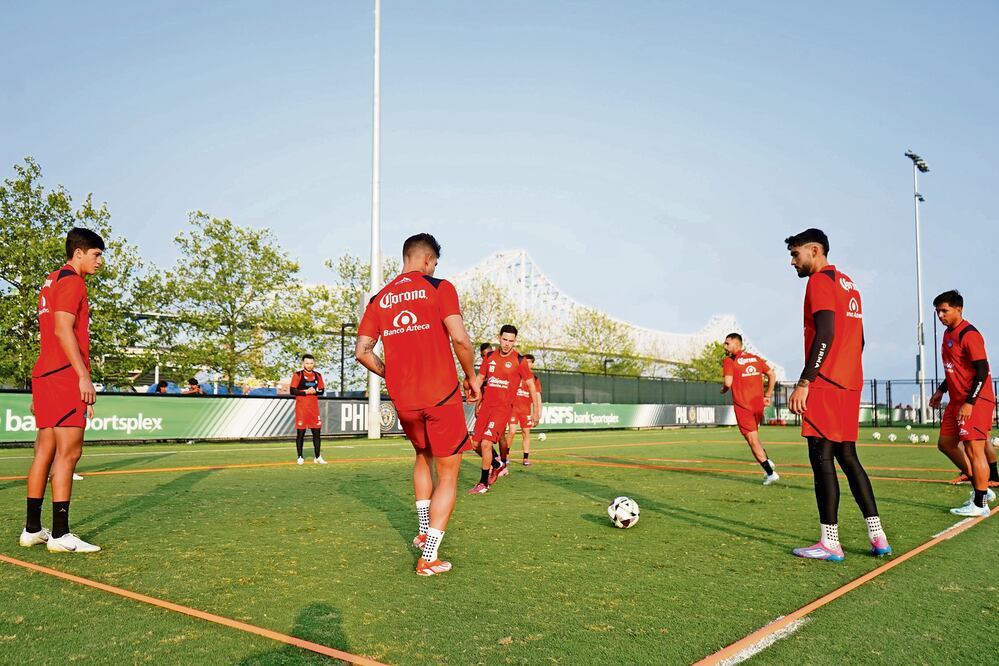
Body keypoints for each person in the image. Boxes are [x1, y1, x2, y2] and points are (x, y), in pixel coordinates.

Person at [355, 233, 480, 576]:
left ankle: (424, 529)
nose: (434, 268)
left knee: (422, 457)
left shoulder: (379, 298)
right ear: (427, 260)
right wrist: (471, 378)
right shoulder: (439, 287)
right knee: (450, 472)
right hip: (440, 396)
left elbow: (362, 351)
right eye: (435, 263)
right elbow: (459, 338)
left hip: (405, 399)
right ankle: (429, 555)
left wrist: (389, 375)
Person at [784, 228, 891, 562]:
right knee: (848, 457)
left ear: (815, 250)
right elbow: (858, 340)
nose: (792, 262)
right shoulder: (849, 283)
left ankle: (830, 541)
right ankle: (877, 536)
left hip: (827, 383)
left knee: (821, 458)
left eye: (796, 253)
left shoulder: (819, 282)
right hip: (849, 382)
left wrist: (805, 380)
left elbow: (826, 333)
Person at [20, 228, 104, 553]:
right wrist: (83, 376)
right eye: (96, 254)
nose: (100, 261)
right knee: (69, 454)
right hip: (65, 375)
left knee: (44, 451)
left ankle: (32, 529)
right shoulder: (73, 281)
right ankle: (60, 534)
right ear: (79, 252)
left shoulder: (50, 280)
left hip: (45, 375)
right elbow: (62, 329)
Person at [928, 291, 997, 516]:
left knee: (974, 449)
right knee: (945, 444)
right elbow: (954, 369)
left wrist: (970, 402)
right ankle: (982, 484)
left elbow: (982, 369)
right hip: (956, 400)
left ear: (959, 309)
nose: (940, 315)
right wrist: (940, 391)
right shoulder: (948, 334)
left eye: (944, 310)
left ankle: (980, 503)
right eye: (937, 311)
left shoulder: (970, 334)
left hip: (974, 401)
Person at [468, 325, 541, 493]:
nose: (507, 343)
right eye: (505, 339)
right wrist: (475, 392)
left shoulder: (519, 361)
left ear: (515, 341)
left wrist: (535, 411)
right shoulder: (490, 357)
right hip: (487, 406)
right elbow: (480, 377)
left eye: (511, 340)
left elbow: (531, 386)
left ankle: (483, 483)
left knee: (486, 443)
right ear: (499, 337)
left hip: (503, 409)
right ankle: (498, 465)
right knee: (475, 444)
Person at [720, 333, 779, 485]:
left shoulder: (729, 361)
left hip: (743, 406)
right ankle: (768, 461)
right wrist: (768, 395)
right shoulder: (756, 358)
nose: (724, 346)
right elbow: (772, 375)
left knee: (752, 441)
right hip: (758, 405)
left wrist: (724, 390)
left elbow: (728, 383)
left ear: (737, 345)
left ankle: (770, 472)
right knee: (754, 437)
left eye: (727, 343)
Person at [504, 353, 541, 466]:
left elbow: (538, 396)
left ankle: (525, 459)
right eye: (525, 361)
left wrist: (538, 413)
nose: (527, 363)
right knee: (512, 432)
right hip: (513, 409)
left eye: (529, 362)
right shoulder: (516, 374)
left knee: (526, 433)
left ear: (532, 364)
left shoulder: (534, 379)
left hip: (526, 411)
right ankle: (505, 456)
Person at [289, 354, 326, 465]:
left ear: (313, 363)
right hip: (302, 409)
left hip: (314, 409)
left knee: (317, 433)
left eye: (311, 363)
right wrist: (305, 391)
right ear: (303, 364)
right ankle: (300, 457)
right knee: (301, 433)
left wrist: (315, 391)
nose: (309, 365)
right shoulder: (298, 375)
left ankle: (318, 457)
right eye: (307, 363)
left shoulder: (318, 375)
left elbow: (321, 390)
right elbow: (292, 391)